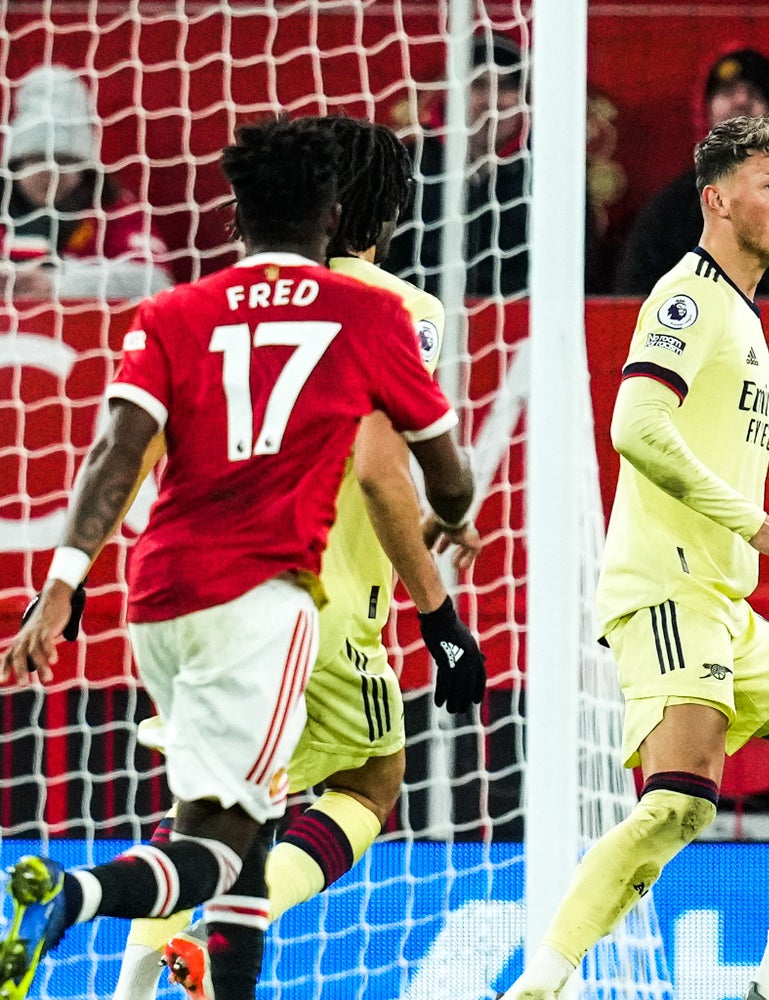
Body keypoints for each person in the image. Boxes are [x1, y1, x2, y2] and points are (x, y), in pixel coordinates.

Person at [0, 117, 477, 1000]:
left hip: (161, 594)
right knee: (345, 794)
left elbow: (123, 453)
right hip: (290, 601)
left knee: (214, 820)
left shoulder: (181, 309)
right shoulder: (387, 309)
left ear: (237, 214)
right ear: (340, 213)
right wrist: (443, 591)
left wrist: (63, 586)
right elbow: (384, 467)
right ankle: (83, 899)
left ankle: (132, 980)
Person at [501, 116, 769, 1000]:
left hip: (719, 602)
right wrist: (753, 522)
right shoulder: (688, 298)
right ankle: (537, 987)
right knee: (678, 803)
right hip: (669, 592)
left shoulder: (743, 312)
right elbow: (634, 425)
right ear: (716, 201)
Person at [614, 48, 769, 297]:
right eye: (728, 92)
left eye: (754, 94)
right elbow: (636, 300)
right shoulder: (669, 211)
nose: (741, 101)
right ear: (707, 111)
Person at [1, 65, 172, 301]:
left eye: (65, 160)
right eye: (37, 159)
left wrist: (57, 285)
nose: (51, 172)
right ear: (15, 163)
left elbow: (156, 281)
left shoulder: (113, 210)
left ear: (85, 168)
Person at [392, 32, 531, 297]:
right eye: (478, 85)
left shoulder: (550, 175)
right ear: (450, 94)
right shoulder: (407, 165)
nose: (492, 101)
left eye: (506, 87)